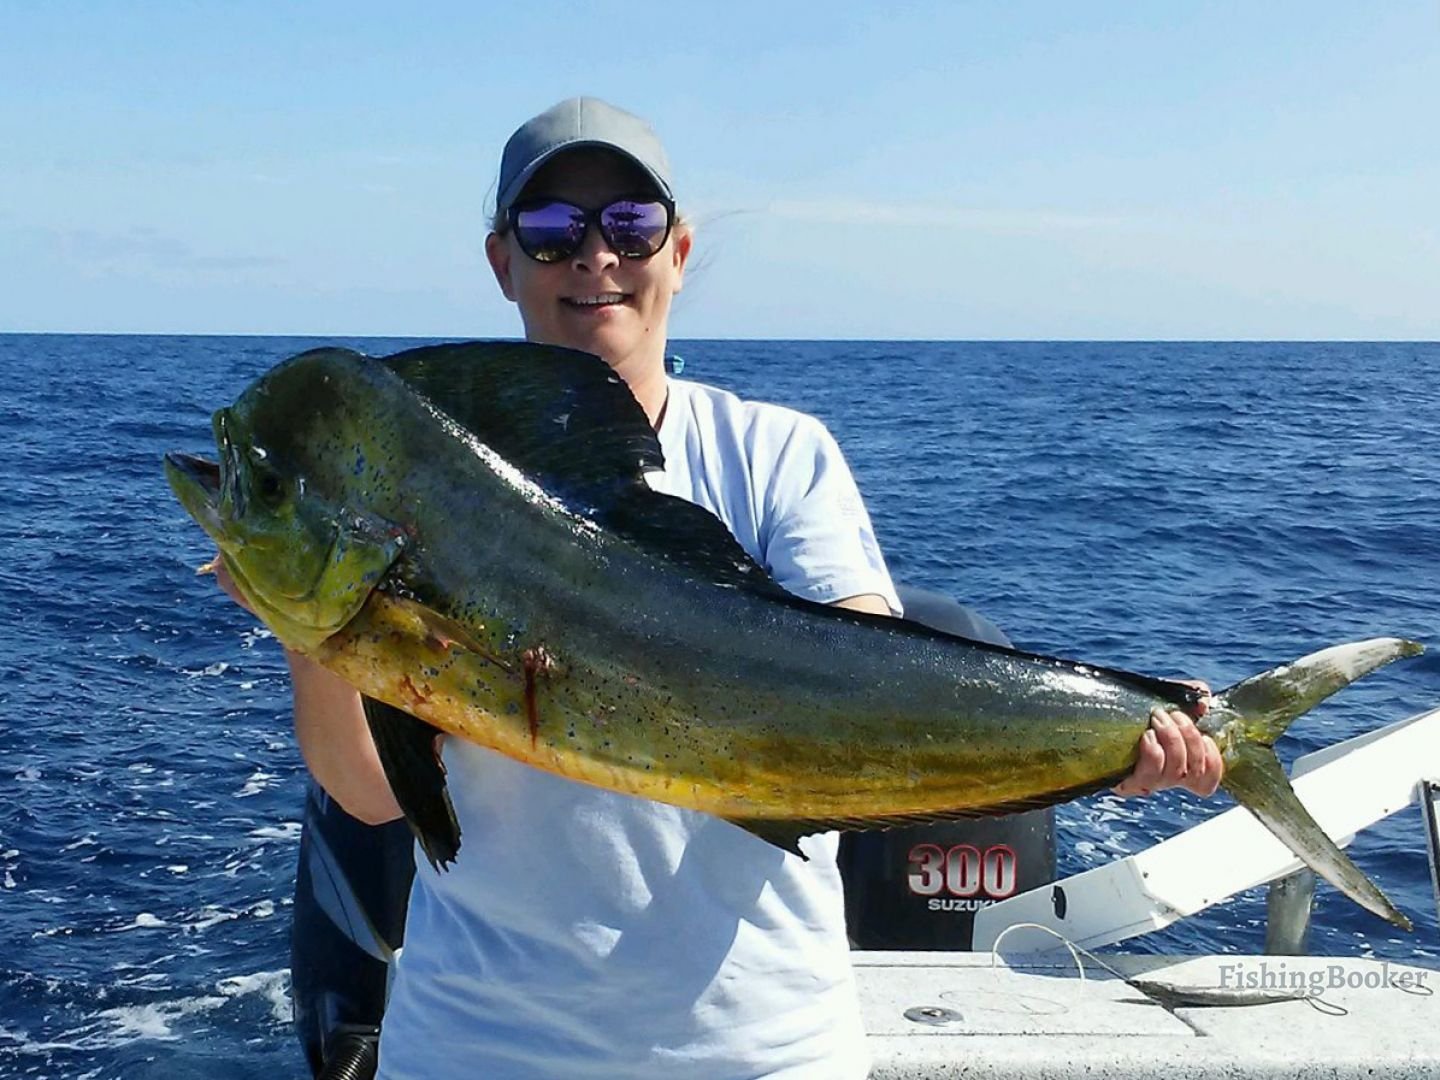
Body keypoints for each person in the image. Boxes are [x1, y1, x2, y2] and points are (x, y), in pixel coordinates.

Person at [218, 97, 1222, 1078]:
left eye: (630, 225)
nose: (596, 257)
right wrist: (314, 630)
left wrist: (1096, 742)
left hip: (763, 1051)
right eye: (554, 229)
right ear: (502, 260)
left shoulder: (777, 453)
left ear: (679, 251)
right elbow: (369, 793)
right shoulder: (423, 500)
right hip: (479, 1047)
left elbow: (866, 685)